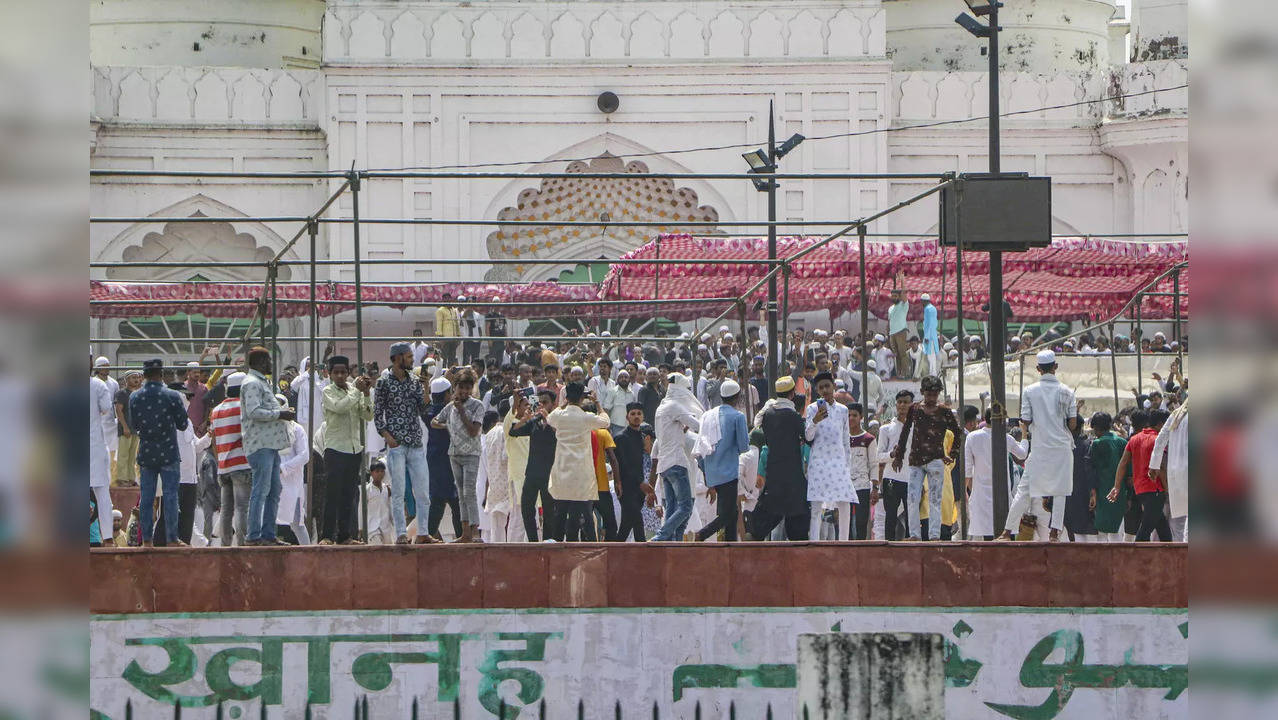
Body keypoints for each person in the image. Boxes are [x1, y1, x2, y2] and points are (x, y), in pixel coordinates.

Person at [997, 350, 1077, 542]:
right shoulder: (1067, 391)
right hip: (1061, 448)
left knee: (1024, 489)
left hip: (1040, 447)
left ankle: (1007, 531)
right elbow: (1072, 424)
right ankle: (1055, 532)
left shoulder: (1029, 391)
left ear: (1038, 369)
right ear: (1055, 367)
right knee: (1060, 491)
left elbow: (1025, 419)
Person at [374, 342, 431, 545]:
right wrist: (388, 438)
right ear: (397, 358)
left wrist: (425, 386)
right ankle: (400, 534)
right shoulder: (384, 382)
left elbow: (423, 408)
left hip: (415, 442)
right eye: (408, 357)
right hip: (397, 444)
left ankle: (423, 532)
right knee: (398, 492)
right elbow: (377, 413)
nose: (411, 359)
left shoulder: (414, 380)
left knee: (423, 491)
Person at [129, 358, 191, 546]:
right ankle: (172, 539)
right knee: (171, 496)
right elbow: (182, 424)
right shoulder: (172, 396)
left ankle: (147, 540)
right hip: (169, 452)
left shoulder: (135, 397)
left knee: (147, 497)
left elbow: (134, 426)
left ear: (144, 375)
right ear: (162, 374)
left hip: (146, 453)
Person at [891, 375, 961, 541]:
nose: (931, 398)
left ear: (939, 394)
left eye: (935, 394)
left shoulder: (944, 411)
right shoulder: (915, 409)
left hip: (936, 460)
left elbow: (957, 432)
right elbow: (905, 431)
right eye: (928, 394)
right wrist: (899, 456)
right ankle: (914, 534)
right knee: (912, 498)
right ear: (922, 392)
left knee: (935, 499)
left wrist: (952, 454)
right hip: (916, 461)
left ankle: (934, 535)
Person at [239, 347, 294, 546]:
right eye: (268, 360)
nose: (271, 363)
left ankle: (269, 533)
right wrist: (280, 414)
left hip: (270, 445)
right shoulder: (252, 383)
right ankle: (253, 536)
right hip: (260, 445)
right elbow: (254, 412)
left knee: (274, 490)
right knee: (261, 490)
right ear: (261, 362)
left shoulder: (261, 382)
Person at [546, 382, 611, 541]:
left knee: (560, 514)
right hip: (581, 474)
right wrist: (596, 403)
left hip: (562, 472)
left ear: (567, 397)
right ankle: (593, 549)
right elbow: (606, 421)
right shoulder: (585, 417)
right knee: (586, 515)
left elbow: (549, 418)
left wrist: (563, 403)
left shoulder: (558, 416)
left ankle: (556, 550)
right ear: (583, 397)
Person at [319, 356, 373, 545]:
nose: (340, 376)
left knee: (349, 494)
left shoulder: (354, 390)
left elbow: (367, 415)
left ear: (348, 373)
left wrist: (366, 394)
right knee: (332, 494)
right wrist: (357, 392)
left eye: (343, 372)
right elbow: (340, 408)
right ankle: (326, 535)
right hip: (335, 448)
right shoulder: (327, 391)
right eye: (336, 372)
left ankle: (344, 536)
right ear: (330, 374)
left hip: (353, 448)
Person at [751, 376, 810, 540]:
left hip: (774, 471)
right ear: (792, 393)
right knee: (796, 515)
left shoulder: (768, 414)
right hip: (792, 474)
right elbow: (808, 437)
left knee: (770, 510)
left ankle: (753, 534)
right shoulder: (794, 416)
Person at [690, 379, 750, 542]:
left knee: (731, 513)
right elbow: (744, 446)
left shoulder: (708, 415)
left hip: (711, 472)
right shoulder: (738, 416)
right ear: (737, 397)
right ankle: (701, 534)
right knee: (728, 513)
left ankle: (730, 545)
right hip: (728, 472)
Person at [432, 370, 485, 542]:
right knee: (461, 494)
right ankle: (465, 532)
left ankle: (475, 529)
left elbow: (473, 430)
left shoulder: (477, 406)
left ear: (471, 389)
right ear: (454, 388)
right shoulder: (449, 407)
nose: (463, 392)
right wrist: (446, 426)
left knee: (469, 491)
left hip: (471, 454)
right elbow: (434, 421)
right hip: (454, 454)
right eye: (460, 388)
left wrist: (462, 411)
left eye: (467, 388)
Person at [650, 373, 704, 541]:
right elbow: (697, 425)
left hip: (664, 465)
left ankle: (674, 542)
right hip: (676, 462)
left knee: (672, 510)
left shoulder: (661, 407)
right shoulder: (674, 406)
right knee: (686, 507)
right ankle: (661, 537)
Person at [1107, 408, 1172, 541]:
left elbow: (1123, 463)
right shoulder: (1158, 440)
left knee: (1163, 528)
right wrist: (1167, 489)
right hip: (1155, 490)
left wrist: (1116, 486)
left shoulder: (1134, 439)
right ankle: (1134, 558)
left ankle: (1171, 558)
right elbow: (1161, 467)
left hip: (1140, 490)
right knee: (1145, 530)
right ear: (1161, 424)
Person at [804, 372, 855, 541]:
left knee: (844, 502)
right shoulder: (812, 409)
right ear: (817, 390)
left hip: (839, 462)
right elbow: (808, 437)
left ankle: (844, 541)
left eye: (827, 386)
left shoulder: (843, 410)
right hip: (819, 461)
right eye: (821, 387)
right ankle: (814, 542)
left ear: (833, 386)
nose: (825, 390)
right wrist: (815, 421)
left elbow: (846, 439)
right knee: (817, 505)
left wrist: (847, 465)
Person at [963, 407, 1028, 540]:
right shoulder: (1006, 438)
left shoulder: (972, 437)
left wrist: (964, 491)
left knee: (988, 536)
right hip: (1002, 494)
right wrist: (1025, 434)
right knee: (1008, 532)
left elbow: (967, 470)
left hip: (981, 495)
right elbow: (1022, 455)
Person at [509, 387, 560, 542]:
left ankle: (548, 540)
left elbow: (561, 435)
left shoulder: (557, 422)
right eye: (540, 402)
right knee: (526, 506)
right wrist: (524, 419)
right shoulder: (534, 422)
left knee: (549, 509)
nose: (542, 405)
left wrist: (548, 420)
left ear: (552, 404)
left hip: (549, 473)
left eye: (545, 402)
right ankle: (533, 540)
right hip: (532, 472)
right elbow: (514, 432)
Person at [210, 372, 252, 546]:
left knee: (226, 509)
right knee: (242, 507)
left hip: (223, 465)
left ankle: (225, 546)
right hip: (241, 464)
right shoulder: (244, 407)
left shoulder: (217, 410)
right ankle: (243, 545)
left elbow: (213, 440)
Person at [424, 376, 460, 542]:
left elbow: (425, 404)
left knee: (438, 499)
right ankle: (461, 535)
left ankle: (429, 534)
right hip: (450, 458)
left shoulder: (428, 412)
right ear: (447, 394)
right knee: (455, 500)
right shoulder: (451, 412)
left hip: (434, 459)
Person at [1086, 411, 1129, 542]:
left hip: (1102, 491)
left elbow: (1091, 469)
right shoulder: (1122, 442)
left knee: (1102, 532)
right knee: (1117, 530)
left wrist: (1092, 492)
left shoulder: (1097, 444)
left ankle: (1103, 561)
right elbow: (1129, 469)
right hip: (1120, 491)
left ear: (1096, 428)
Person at [877, 390, 913, 541]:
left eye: (906, 402)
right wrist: (891, 455)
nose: (903, 405)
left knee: (912, 517)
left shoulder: (915, 428)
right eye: (900, 402)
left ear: (912, 405)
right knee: (890, 516)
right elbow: (878, 456)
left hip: (911, 478)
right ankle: (889, 548)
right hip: (891, 478)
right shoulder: (886, 429)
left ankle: (910, 548)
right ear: (896, 404)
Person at [1150, 400, 1189, 541]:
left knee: (1183, 520)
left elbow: (1160, 440)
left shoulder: (1175, 415)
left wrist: (1153, 466)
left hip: (1175, 474)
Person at [583, 400, 621, 541]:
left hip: (584, 485)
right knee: (610, 523)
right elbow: (613, 458)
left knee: (585, 523)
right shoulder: (603, 433)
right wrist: (617, 482)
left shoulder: (578, 432)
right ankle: (609, 551)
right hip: (602, 486)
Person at [613, 402, 651, 542]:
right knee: (638, 525)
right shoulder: (621, 437)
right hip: (626, 488)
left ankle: (614, 555)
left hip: (639, 490)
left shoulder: (642, 437)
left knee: (625, 527)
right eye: (633, 414)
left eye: (639, 414)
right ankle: (645, 558)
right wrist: (640, 483)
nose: (636, 417)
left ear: (643, 417)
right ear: (627, 417)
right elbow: (623, 465)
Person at [478, 408, 512, 542]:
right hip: (495, 486)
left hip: (488, 488)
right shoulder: (501, 434)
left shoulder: (483, 440)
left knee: (490, 531)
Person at [1063, 414, 1098, 542]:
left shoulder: (1061, 445)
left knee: (1067, 527)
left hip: (1064, 491)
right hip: (1081, 491)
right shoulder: (1086, 444)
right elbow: (1090, 469)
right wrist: (1092, 491)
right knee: (1081, 528)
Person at [90, 371, 115, 545]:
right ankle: (107, 538)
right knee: (103, 494)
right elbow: (106, 408)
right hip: (95, 446)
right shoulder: (99, 385)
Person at [847, 402, 878, 541]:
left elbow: (874, 465)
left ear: (861, 417)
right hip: (845, 486)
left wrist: (875, 488)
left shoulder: (869, 439)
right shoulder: (842, 438)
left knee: (861, 522)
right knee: (845, 523)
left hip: (862, 486)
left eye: (854, 415)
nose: (851, 418)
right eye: (848, 415)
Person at [113, 370, 143, 487]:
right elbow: (118, 410)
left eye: (137, 377)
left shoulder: (138, 393)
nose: (136, 380)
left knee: (132, 456)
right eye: (132, 377)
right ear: (126, 380)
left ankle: (131, 478)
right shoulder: (122, 394)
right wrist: (125, 427)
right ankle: (122, 478)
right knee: (123, 455)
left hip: (135, 429)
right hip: (125, 429)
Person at [365, 459, 394, 545]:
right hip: (372, 527)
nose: (380, 474)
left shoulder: (387, 489)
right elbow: (361, 509)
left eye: (382, 471)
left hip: (386, 526)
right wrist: (361, 528)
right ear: (372, 473)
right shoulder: (366, 490)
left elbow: (390, 506)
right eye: (377, 471)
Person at [887, 289, 911, 379]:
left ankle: (906, 373)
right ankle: (899, 373)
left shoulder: (903, 305)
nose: (894, 298)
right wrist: (888, 333)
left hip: (901, 331)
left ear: (899, 297)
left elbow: (904, 293)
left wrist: (902, 281)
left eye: (895, 296)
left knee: (902, 353)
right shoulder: (890, 308)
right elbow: (889, 322)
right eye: (892, 296)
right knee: (896, 354)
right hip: (892, 334)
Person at [435, 293, 461, 364]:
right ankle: (443, 373)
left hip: (454, 338)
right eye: (445, 298)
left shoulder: (453, 310)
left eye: (448, 298)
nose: (447, 300)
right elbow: (439, 325)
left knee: (452, 358)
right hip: (445, 339)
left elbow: (456, 324)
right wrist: (441, 338)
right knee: (443, 357)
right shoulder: (440, 310)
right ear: (443, 300)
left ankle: (451, 373)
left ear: (451, 299)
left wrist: (458, 336)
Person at [920, 293, 940, 376]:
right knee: (931, 355)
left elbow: (930, 324)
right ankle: (932, 373)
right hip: (931, 334)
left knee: (931, 355)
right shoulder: (932, 308)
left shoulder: (928, 309)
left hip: (930, 336)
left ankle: (933, 374)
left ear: (924, 301)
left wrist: (927, 337)